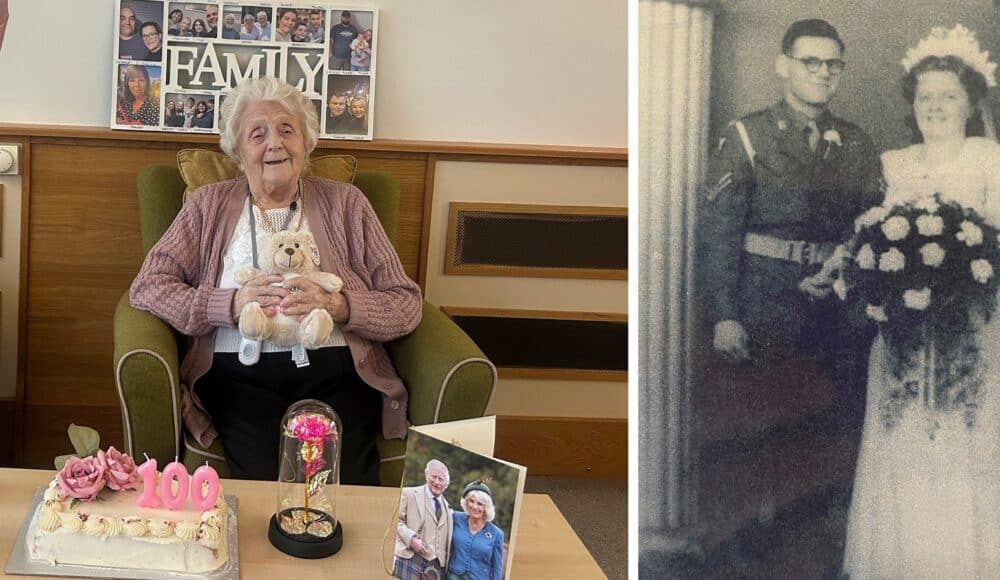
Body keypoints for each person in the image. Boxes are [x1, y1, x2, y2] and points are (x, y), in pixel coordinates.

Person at [129, 77, 421, 485]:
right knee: (266, 487)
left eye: (287, 130)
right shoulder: (206, 205)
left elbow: (405, 302)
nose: (275, 143)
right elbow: (149, 286)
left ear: (305, 142)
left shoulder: (347, 204)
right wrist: (228, 304)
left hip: (334, 372)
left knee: (341, 486)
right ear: (238, 151)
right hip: (239, 375)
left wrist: (340, 306)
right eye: (257, 134)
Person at [840, 25, 1000, 579]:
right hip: (906, 328)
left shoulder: (990, 160)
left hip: (974, 325)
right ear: (912, 103)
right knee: (904, 428)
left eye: (948, 96)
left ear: (971, 101)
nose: (936, 106)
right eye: (925, 96)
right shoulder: (896, 164)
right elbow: (876, 237)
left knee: (966, 430)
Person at [700, 19, 880, 434]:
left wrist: (842, 270)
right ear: (783, 65)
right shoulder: (747, 135)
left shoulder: (857, 144)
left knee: (828, 436)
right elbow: (719, 234)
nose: (823, 72)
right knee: (765, 437)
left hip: (835, 306)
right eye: (810, 62)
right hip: (765, 305)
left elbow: (870, 229)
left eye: (833, 65)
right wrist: (725, 316)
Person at [394, 460, 454, 579]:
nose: (437, 482)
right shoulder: (408, 493)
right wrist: (411, 539)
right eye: (434, 477)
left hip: (436, 570)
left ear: (446, 485)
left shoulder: (449, 510)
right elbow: (396, 521)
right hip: (409, 559)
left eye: (441, 479)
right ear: (426, 476)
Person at [448, 481, 504, 580]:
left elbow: (497, 569)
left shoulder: (496, 534)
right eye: (471, 501)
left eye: (480, 504)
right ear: (466, 501)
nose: (475, 507)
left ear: (486, 507)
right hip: (453, 576)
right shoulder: (455, 518)